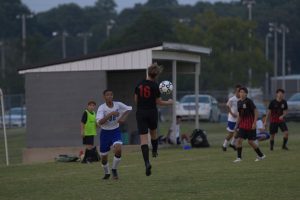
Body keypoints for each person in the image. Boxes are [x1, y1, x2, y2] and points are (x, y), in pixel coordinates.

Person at [134, 63, 173, 176]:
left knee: (144, 140)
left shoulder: (139, 84)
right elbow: (159, 102)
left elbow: (135, 100)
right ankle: (155, 151)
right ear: (156, 75)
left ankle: (146, 162)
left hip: (141, 113)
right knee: (154, 133)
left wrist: (142, 104)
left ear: (148, 72)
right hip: (152, 112)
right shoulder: (155, 86)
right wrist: (169, 102)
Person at [96, 89, 132, 180]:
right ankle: (107, 173)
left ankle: (114, 169)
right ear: (104, 97)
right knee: (104, 158)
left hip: (115, 130)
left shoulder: (118, 104)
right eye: (107, 95)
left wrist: (123, 118)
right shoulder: (101, 108)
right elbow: (100, 122)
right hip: (105, 133)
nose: (109, 96)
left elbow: (129, 108)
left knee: (119, 149)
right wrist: (111, 113)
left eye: (111, 95)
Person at [233, 87, 266, 163]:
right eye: (240, 92)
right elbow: (240, 115)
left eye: (243, 92)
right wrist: (236, 125)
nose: (241, 93)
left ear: (246, 94)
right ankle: (239, 158)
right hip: (242, 125)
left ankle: (261, 155)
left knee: (250, 142)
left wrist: (254, 123)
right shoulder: (239, 102)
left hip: (250, 125)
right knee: (239, 140)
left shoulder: (249, 101)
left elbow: (256, 112)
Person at [222, 84, 241, 151]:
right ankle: (224, 145)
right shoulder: (232, 99)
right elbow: (227, 106)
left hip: (239, 119)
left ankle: (232, 144)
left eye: (240, 91)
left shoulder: (242, 99)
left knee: (238, 132)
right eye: (238, 91)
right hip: (232, 119)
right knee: (231, 133)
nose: (239, 92)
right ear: (235, 91)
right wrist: (232, 114)